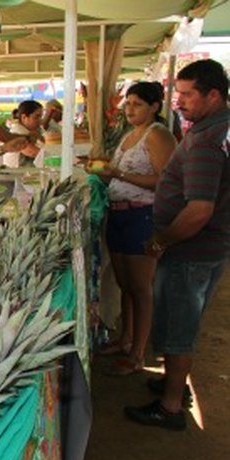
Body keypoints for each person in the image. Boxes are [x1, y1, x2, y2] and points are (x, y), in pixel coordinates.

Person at [124, 59, 230, 430]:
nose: (179, 101)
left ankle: (170, 406)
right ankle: (172, 383)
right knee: (179, 323)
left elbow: (199, 210)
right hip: (205, 249)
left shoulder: (204, 141)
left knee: (179, 329)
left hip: (192, 251)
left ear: (213, 95)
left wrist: (161, 239)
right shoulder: (216, 129)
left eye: (187, 95)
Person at [90, 81, 177, 376]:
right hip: (119, 214)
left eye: (137, 104)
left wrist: (118, 173)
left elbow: (166, 181)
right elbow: (115, 179)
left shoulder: (158, 135)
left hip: (143, 215)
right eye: (128, 103)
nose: (130, 109)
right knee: (125, 284)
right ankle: (125, 339)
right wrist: (100, 172)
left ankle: (138, 352)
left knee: (141, 288)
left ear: (154, 107)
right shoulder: (129, 136)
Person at [3, 100, 44, 168]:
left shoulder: (30, 131)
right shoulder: (18, 131)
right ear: (24, 117)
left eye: (41, 117)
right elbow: (32, 152)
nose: (40, 120)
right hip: (15, 173)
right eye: (36, 117)